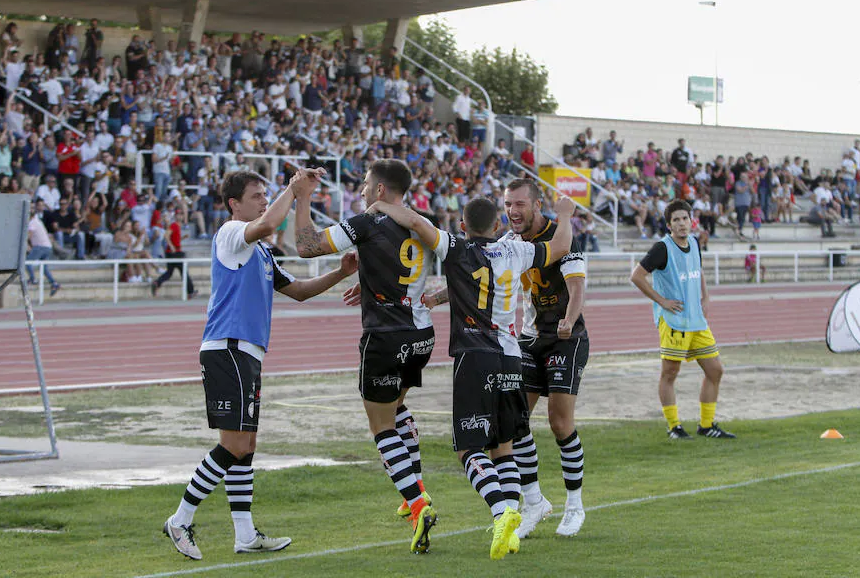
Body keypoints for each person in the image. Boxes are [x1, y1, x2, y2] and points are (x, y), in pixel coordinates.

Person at [163, 168, 358, 560]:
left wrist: (340, 272)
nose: (264, 202)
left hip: (247, 352)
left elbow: (299, 291)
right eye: (256, 195)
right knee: (234, 444)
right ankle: (180, 519)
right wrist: (294, 189)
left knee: (244, 446)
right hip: (228, 349)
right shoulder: (232, 232)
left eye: (265, 195)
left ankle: (245, 534)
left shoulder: (263, 252)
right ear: (235, 204)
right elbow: (269, 221)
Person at [367, 194, 575, 560]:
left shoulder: (455, 248)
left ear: (463, 226)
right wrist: (565, 214)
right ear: (497, 227)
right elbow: (560, 245)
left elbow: (416, 223)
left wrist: (382, 205)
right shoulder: (518, 252)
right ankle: (509, 529)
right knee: (503, 447)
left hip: (474, 357)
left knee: (469, 448)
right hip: (512, 357)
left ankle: (501, 511)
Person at [293, 160, 438, 554]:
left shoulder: (366, 222)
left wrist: (301, 197)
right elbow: (401, 261)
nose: (360, 191)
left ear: (378, 191)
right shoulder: (423, 222)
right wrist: (371, 277)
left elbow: (306, 246)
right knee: (399, 407)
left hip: (385, 336)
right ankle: (415, 487)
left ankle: (418, 503)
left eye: (364, 185)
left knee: (381, 427)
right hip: (421, 335)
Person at [501, 178, 589, 539]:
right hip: (530, 338)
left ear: (537, 205)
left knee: (559, 423)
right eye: (507, 204)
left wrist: (569, 318)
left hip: (567, 339)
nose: (512, 211)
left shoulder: (561, 234)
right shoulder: (509, 243)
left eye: (519, 204)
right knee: (515, 420)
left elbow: (576, 285)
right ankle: (534, 501)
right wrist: (436, 298)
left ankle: (574, 505)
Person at [630, 199, 735, 440]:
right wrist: (662, 301)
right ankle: (674, 426)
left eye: (684, 218)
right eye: (676, 220)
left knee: (716, 370)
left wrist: (705, 296)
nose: (681, 224)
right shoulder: (662, 248)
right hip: (674, 322)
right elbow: (636, 276)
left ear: (691, 221)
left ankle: (706, 426)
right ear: (669, 225)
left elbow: (699, 270)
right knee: (670, 374)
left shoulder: (695, 243)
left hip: (696, 321)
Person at [151, 208, 196, 297]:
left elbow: (174, 239)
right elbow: (166, 235)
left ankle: (157, 282)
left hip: (171, 252)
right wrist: (171, 246)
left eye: (181, 214)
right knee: (184, 272)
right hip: (176, 253)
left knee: (169, 272)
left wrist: (182, 238)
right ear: (175, 216)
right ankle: (190, 292)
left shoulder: (176, 226)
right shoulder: (174, 225)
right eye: (178, 214)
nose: (180, 216)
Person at [26, 206, 60, 297]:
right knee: (44, 268)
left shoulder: (32, 223)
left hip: (41, 246)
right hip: (48, 247)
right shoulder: (38, 222)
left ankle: (33, 279)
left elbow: (28, 236)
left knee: (27, 262)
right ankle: (54, 283)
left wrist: (27, 245)